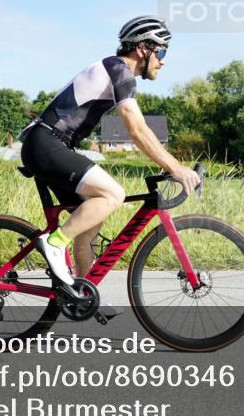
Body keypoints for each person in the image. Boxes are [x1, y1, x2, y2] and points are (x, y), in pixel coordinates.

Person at [19, 16, 201, 314]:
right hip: (46, 143)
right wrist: (175, 167)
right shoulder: (119, 70)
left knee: (91, 218)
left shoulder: (116, 71)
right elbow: (137, 129)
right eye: (161, 51)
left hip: (50, 145)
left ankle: (80, 292)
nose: (163, 60)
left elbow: (139, 129)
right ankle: (54, 243)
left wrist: (170, 164)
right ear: (143, 49)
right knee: (113, 194)